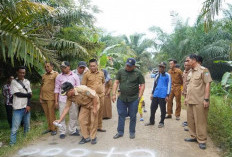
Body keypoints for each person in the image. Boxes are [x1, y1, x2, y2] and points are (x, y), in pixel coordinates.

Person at [112, 58, 145, 139]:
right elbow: (116, 82)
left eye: (130, 66)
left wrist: (139, 96)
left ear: (134, 66)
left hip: (133, 98)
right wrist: (113, 94)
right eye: (127, 65)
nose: (127, 67)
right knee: (121, 115)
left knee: (133, 116)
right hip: (122, 98)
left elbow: (143, 84)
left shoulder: (138, 73)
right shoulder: (121, 71)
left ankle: (132, 132)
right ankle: (120, 132)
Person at [184, 54, 212, 150]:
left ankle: (202, 140)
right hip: (190, 100)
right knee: (190, 120)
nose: (187, 62)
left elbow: (208, 84)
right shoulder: (191, 72)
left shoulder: (204, 70)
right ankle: (193, 136)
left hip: (199, 101)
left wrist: (206, 99)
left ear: (194, 60)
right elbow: (190, 86)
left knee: (200, 121)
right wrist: (187, 98)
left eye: (189, 60)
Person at [54, 61, 80, 139]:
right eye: (62, 67)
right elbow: (56, 89)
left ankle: (72, 130)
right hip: (62, 99)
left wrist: (77, 99)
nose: (63, 69)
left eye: (64, 67)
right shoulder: (59, 77)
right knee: (62, 114)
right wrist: (56, 101)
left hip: (73, 99)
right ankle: (62, 131)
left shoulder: (75, 76)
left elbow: (78, 88)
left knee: (73, 115)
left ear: (69, 67)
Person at [9, 66, 32, 146]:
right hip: (18, 108)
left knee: (27, 126)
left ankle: (26, 142)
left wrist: (28, 105)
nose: (22, 74)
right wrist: (27, 95)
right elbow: (17, 94)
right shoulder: (13, 82)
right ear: (17, 72)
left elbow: (30, 95)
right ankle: (12, 144)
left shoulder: (27, 82)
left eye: (24, 73)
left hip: (26, 107)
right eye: (20, 72)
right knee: (15, 128)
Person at [82, 59, 106, 132]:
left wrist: (103, 91)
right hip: (91, 97)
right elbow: (83, 86)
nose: (92, 67)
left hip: (101, 96)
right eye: (91, 66)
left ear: (97, 66)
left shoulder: (101, 73)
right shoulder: (86, 74)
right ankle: (91, 128)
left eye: (94, 66)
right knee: (92, 113)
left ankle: (99, 126)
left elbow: (103, 82)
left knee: (100, 111)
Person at [145, 62, 171, 128]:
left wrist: (167, 95)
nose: (160, 68)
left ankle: (161, 122)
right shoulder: (157, 75)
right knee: (152, 108)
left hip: (163, 95)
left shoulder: (168, 75)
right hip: (156, 94)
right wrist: (152, 93)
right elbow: (154, 85)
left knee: (163, 109)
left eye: (162, 67)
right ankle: (151, 121)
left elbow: (169, 85)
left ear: (164, 68)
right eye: (160, 67)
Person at [40, 62, 59, 135]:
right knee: (47, 113)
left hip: (51, 97)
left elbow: (58, 86)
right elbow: (42, 86)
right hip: (44, 97)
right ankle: (49, 128)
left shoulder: (55, 74)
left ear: (52, 66)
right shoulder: (44, 75)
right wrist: (40, 97)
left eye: (48, 66)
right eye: (45, 67)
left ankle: (54, 129)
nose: (46, 68)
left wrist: (57, 99)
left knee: (51, 114)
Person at [182, 58, 191, 130]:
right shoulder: (184, 72)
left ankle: (190, 124)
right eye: (185, 65)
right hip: (185, 92)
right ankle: (188, 121)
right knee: (188, 109)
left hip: (190, 93)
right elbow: (184, 82)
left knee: (190, 109)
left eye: (187, 65)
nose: (186, 66)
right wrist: (182, 90)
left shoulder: (191, 72)